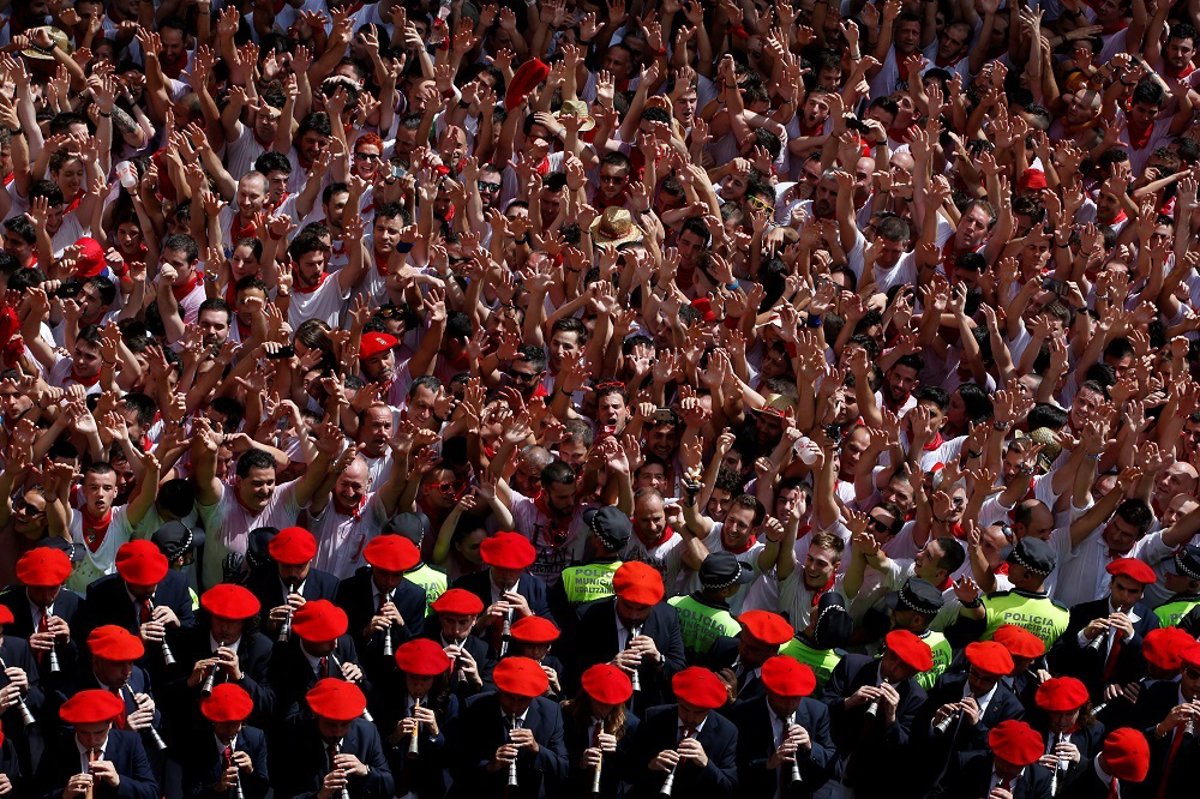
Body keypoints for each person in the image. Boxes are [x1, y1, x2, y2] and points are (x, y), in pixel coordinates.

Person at [448, 656, 569, 798]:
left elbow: (563, 768)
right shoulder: (474, 707)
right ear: (500, 690)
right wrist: (490, 766)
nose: (515, 706)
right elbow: (456, 765)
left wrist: (537, 749)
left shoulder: (551, 712)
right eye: (509, 697)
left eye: (523, 700)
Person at [575, 561, 686, 714]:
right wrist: (607, 668)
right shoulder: (589, 616)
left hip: (647, 711)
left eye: (642, 609)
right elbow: (573, 669)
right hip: (602, 709)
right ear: (618, 595)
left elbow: (679, 671)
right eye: (627, 606)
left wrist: (659, 659)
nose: (633, 615)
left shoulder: (667, 617)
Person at [727, 656, 836, 796]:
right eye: (783, 698)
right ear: (768, 691)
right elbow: (734, 768)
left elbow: (835, 766)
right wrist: (768, 764)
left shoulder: (818, 712)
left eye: (796, 698)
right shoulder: (744, 714)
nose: (790, 705)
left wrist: (811, 747)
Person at [625, 666, 738, 798]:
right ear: (678, 700)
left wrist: (706, 763)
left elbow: (728, 788)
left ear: (709, 709)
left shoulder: (727, 732)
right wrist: (651, 765)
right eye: (684, 709)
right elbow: (628, 768)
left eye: (698, 713)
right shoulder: (653, 717)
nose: (690, 718)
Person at [277, 678, 394, 798]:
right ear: (316, 716)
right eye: (331, 724)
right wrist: (319, 796)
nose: (338, 732)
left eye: (345, 725)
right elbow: (284, 793)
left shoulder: (367, 732)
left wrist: (366, 771)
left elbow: (389, 786)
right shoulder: (295, 738)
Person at [36, 688, 157, 799]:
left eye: (99, 733)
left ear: (110, 724)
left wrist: (119, 781)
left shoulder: (130, 742)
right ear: (75, 727)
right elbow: (37, 792)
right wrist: (64, 794)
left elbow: (152, 792)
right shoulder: (58, 746)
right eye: (84, 733)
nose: (92, 740)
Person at [560, 664, 637, 798]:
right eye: (599, 702)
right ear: (589, 696)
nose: (603, 709)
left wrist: (617, 751)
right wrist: (581, 762)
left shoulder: (630, 724)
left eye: (609, 704)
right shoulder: (567, 715)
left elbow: (632, 772)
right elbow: (559, 758)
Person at [182, 683, 269, 799]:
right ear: (213, 721)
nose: (230, 730)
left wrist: (251, 771)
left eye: (235, 723)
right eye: (225, 724)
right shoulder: (196, 743)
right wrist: (217, 788)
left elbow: (262, 790)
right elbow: (190, 792)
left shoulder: (255, 738)